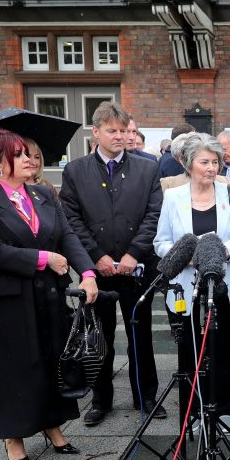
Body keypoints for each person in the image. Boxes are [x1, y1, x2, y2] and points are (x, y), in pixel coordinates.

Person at [0, 127, 99, 460]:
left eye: (28, 153)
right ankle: (14, 436)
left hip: (47, 293)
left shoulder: (43, 195)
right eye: (20, 154)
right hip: (8, 298)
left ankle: (51, 424)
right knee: (14, 366)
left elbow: (67, 235)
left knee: (50, 358)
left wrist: (86, 273)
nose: (29, 160)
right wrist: (44, 258)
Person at [60, 101, 165, 426]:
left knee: (141, 334)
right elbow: (72, 219)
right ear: (96, 132)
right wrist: (97, 257)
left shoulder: (147, 168)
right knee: (98, 334)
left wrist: (134, 253)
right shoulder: (76, 171)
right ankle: (100, 399)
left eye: (124, 130)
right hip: (98, 269)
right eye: (112, 130)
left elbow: (153, 213)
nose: (119, 136)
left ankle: (145, 395)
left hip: (137, 268)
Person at [154, 133, 230, 430]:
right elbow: (161, 242)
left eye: (216, 162)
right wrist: (184, 256)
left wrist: (222, 252)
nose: (211, 168)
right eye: (204, 162)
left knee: (223, 348)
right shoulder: (172, 197)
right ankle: (194, 412)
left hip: (224, 283)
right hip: (186, 285)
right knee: (190, 352)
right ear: (188, 164)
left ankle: (224, 410)